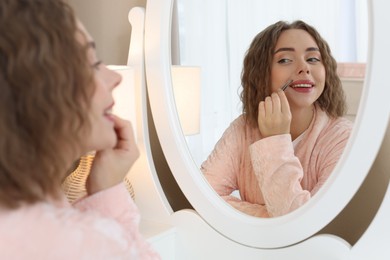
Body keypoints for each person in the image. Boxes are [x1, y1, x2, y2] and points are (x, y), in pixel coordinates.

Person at [0, 0, 160, 259]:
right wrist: (109, 191)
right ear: (41, 91)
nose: (115, 77)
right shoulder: (72, 242)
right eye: (93, 64)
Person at [201, 20, 353, 218]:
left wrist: (275, 141)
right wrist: (269, 217)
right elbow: (201, 197)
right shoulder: (242, 129)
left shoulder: (342, 137)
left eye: (313, 58)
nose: (304, 68)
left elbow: (307, 225)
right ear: (262, 73)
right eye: (285, 60)